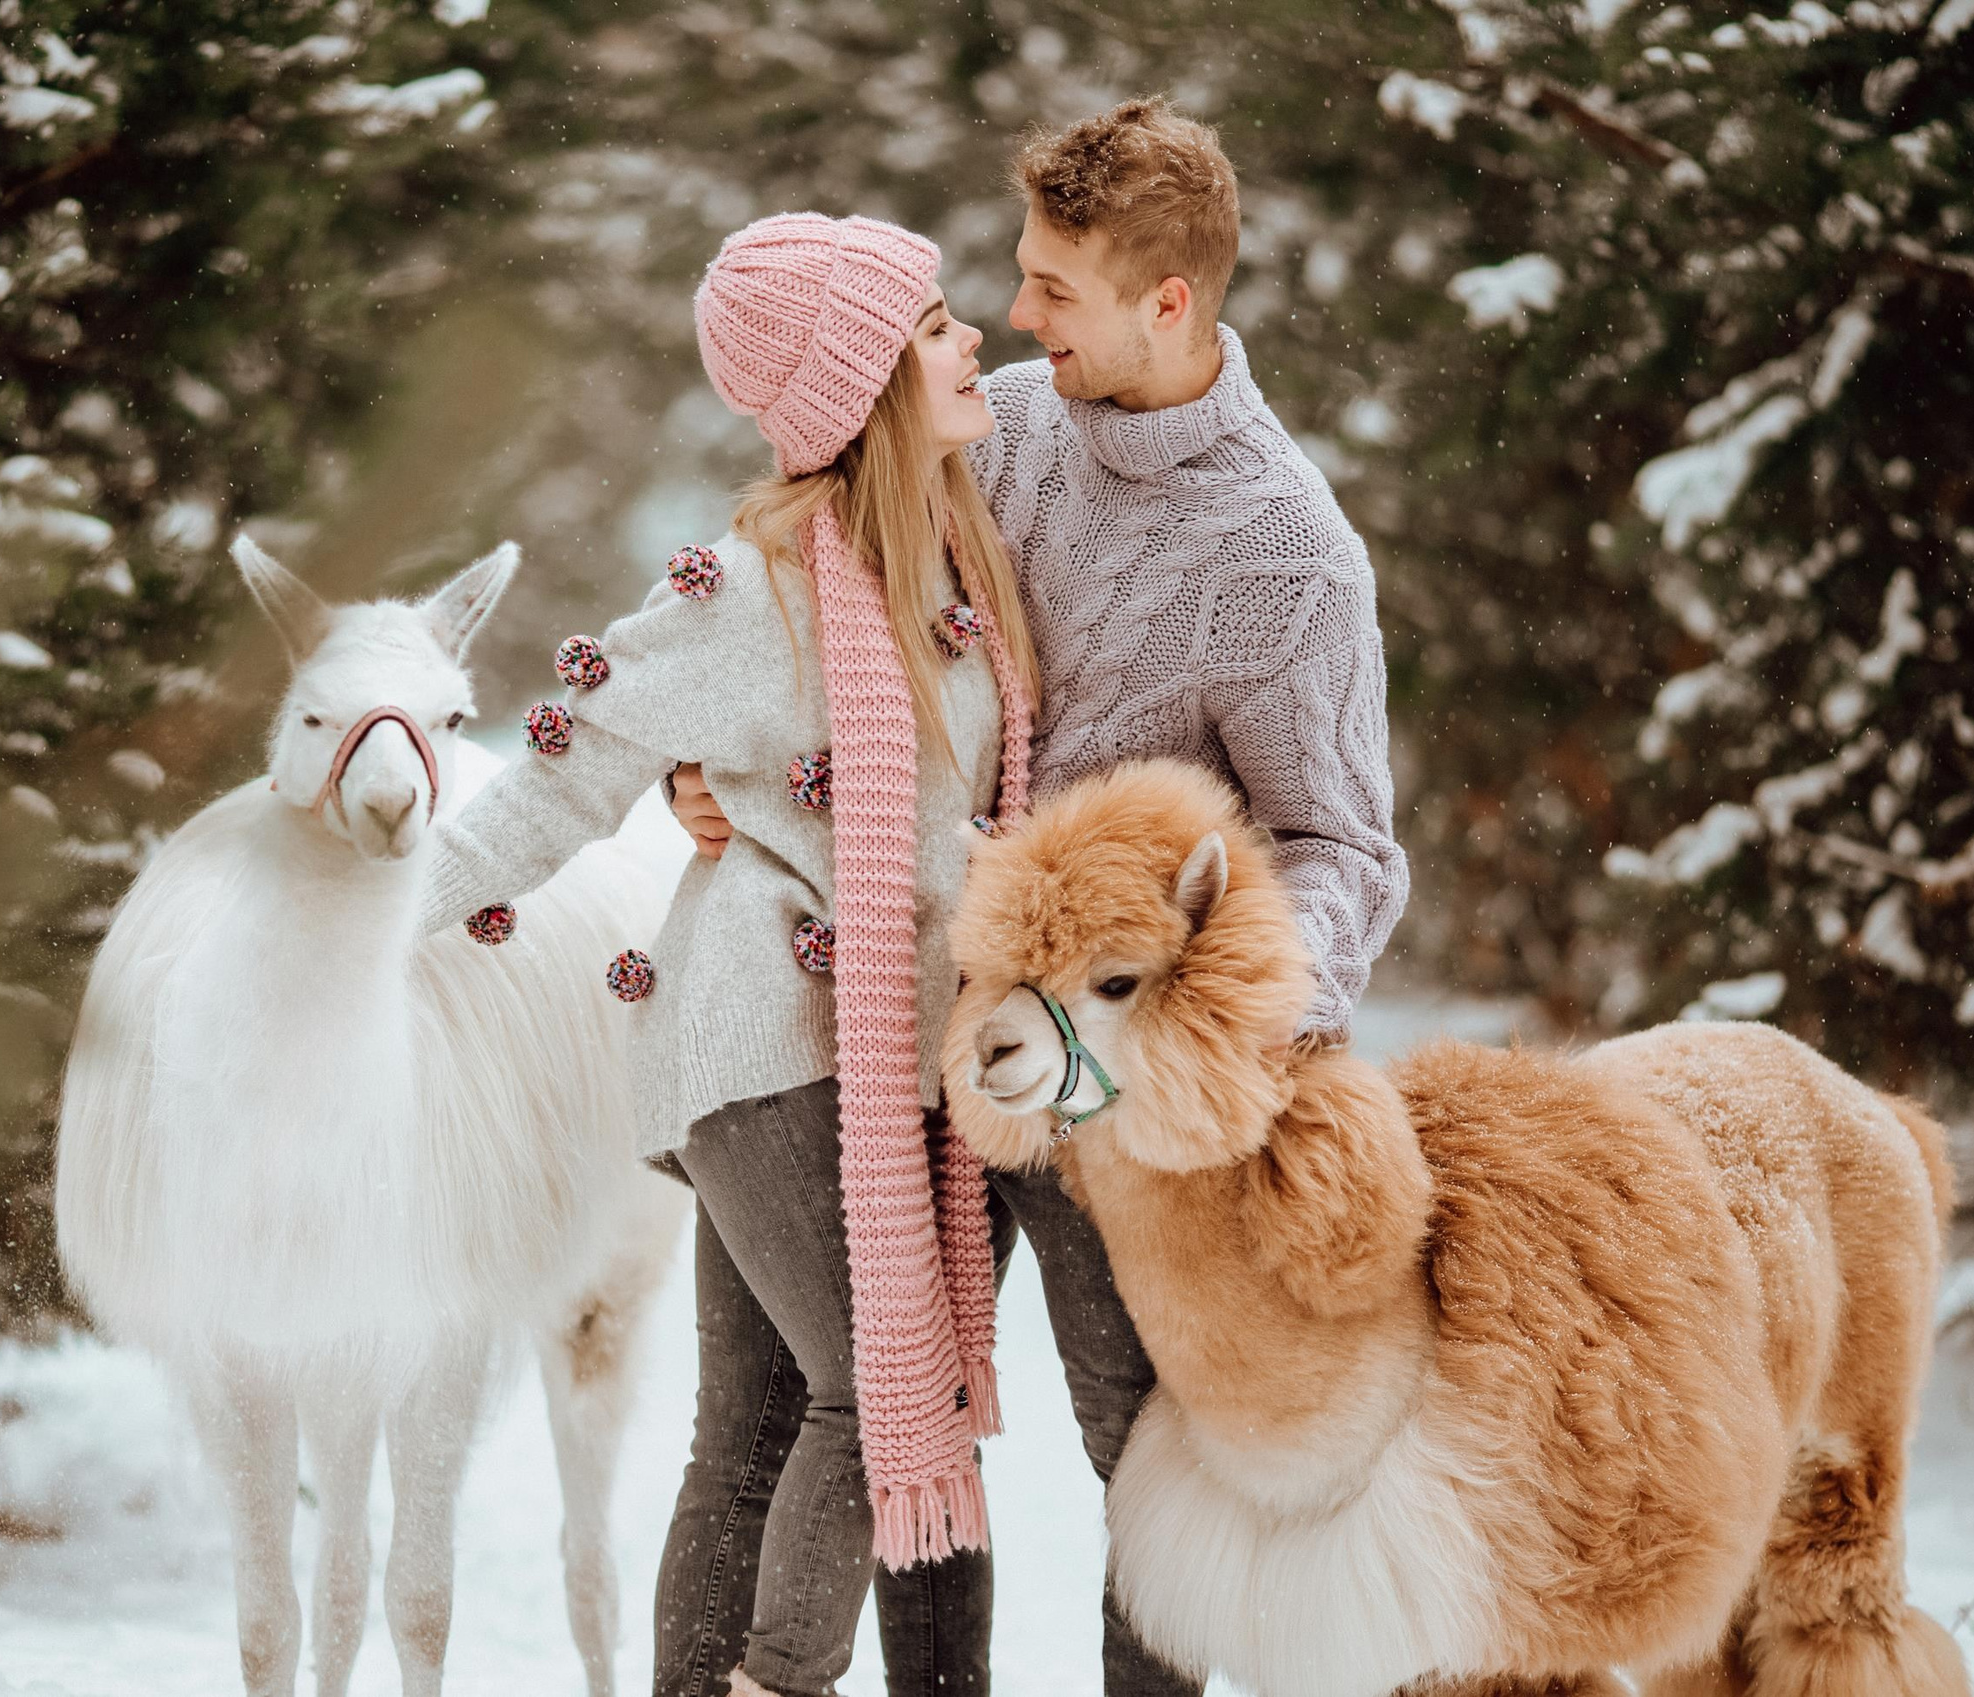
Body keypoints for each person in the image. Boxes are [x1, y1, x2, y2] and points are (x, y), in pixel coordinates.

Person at [668, 99, 1410, 1696]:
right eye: (1017, 278)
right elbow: (817, 593)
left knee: (1143, 1456)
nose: (1018, 318)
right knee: (817, 1415)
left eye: (1054, 290)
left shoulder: (1291, 558)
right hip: (865, 1019)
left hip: (1097, 1090)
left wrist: (1225, 1037)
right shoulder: (996, 425)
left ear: (1172, 303)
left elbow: (1344, 849)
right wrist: (717, 765)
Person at [416, 212, 1041, 1697]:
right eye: (937, 325)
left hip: (883, 1047)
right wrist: (380, 915)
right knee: (884, 1396)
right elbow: (567, 769)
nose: (973, 342)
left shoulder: (952, 546)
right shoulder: (758, 589)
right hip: (765, 1045)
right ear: (868, 384)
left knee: (754, 1419)